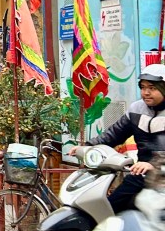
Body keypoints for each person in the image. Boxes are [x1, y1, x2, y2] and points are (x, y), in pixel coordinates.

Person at [71, 65, 165, 212]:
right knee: (110, 209)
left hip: (162, 177)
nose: (146, 92)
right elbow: (114, 134)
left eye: (152, 88)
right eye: (143, 87)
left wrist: (154, 166)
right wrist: (88, 146)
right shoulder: (136, 109)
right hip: (141, 175)